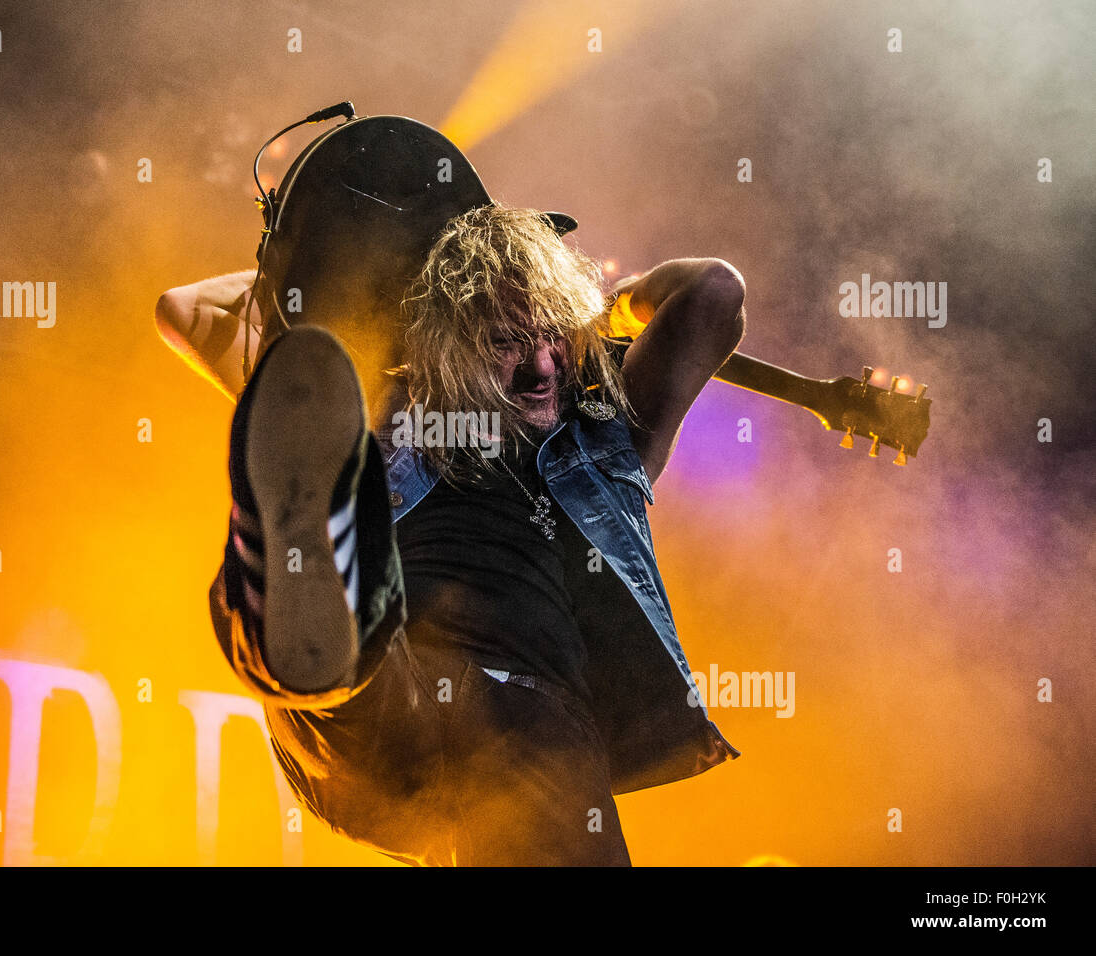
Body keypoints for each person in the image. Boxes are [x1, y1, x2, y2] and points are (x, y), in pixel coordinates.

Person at [156, 203, 746, 865]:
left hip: (532, 729)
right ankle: (302, 591)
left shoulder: (606, 438)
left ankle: (295, 607)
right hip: (395, 685)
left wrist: (597, 311)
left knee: (482, 751)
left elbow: (713, 295)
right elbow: (185, 309)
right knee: (346, 658)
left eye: (555, 336)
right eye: (504, 342)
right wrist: (366, 276)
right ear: (445, 336)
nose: (542, 368)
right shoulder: (376, 406)